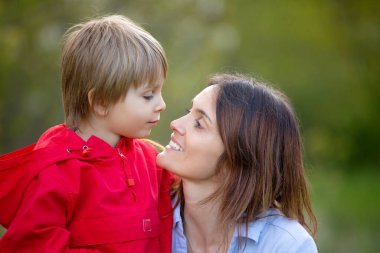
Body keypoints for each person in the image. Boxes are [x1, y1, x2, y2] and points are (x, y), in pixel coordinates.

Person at [0, 15, 173, 252]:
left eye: (160, 92)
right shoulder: (57, 170)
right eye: (148, 95)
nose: (161, 104)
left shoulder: (152, 161)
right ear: (101, 102)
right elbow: (35, 245)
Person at [157, 73, 318, 253]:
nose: (175, 124)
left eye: (199, 124)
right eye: (189, 112)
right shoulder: (144, 213)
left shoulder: (285, 245)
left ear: (239, 157)